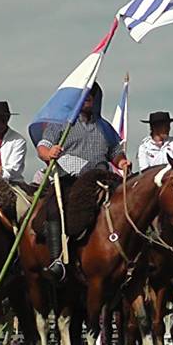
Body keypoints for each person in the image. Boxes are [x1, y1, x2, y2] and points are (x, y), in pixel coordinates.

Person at [35, 83, 130, 280]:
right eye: (85, 95)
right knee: (53, 208)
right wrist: (49, 153)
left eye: (92, 95)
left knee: (130, 203)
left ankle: (130, 258)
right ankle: (57, 261)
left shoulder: (105, 127)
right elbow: (42, 147)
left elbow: (115, 152)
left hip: (102, 177)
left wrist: (122, 162)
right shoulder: (61, 123)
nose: (89, 98)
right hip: (70, 177)